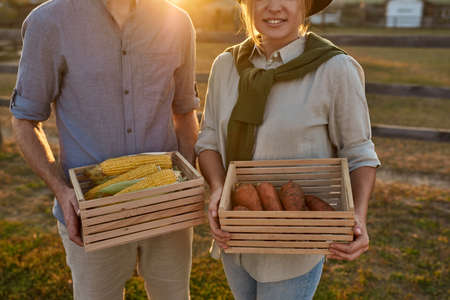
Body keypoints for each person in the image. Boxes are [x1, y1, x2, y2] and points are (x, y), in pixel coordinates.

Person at [10, 0, 199, 299]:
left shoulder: (177, 22)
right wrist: (62, 190)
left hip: (167, 208)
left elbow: (185, 112)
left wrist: (187, 184)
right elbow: (25, 121)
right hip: (92, 215)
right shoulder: (49, 22)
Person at [195, 0, 380, 299]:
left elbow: (359, 152)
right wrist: (218, 188)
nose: (273, 7)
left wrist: (358, 216)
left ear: (305, 5)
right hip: (237, 235)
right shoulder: (226, 65)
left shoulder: (335, 68)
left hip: (296, 245)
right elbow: (209, 139)